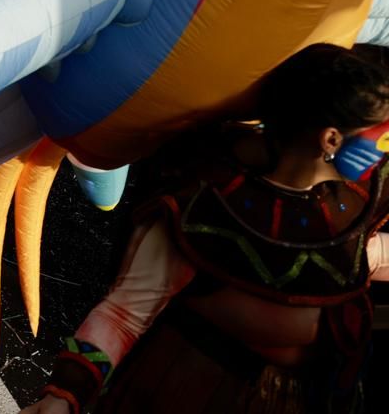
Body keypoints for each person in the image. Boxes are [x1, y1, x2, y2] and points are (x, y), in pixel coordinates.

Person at [22, 44, 389, 414]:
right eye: (377, 132)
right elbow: (126, 311)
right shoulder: (206, 194)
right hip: (185, 389)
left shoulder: (360, 197)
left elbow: (360, 253)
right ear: (330, 139)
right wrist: (64, 395)